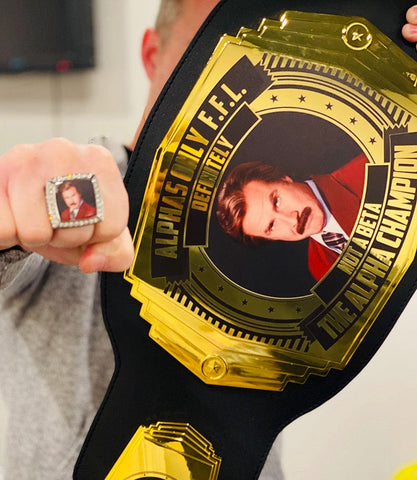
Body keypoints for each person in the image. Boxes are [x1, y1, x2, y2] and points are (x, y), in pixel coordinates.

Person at [0, 2, 417, 479]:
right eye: (214, 41)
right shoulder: (84, 189)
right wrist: (20, 210)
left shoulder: (356, 219)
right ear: (153, 54)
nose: (241, 64)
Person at [216, 154, 367, 280]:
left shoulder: (366, 171)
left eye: (277, 201)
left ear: (284, 179)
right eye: (272, 226)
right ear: (272, 239)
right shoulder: (320, 268)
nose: (292, 220)